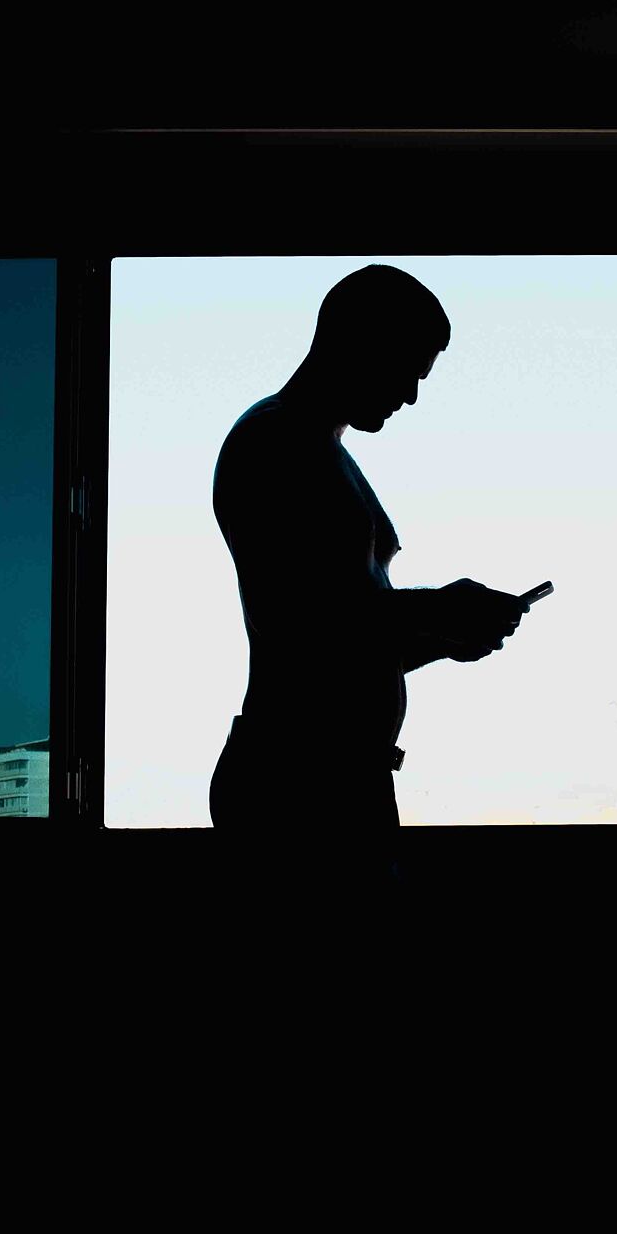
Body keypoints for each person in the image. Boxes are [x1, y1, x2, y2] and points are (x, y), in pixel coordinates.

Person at [209, 265, 531, 829]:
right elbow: (291, 616)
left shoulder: (314, 448)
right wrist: (441, 609)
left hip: (329, 774)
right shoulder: (275, 443)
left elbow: (332, 647)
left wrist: (442, 641)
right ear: (356, 341)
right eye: (408, 370)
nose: (409, 396)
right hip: (298, 782)